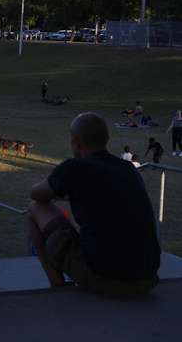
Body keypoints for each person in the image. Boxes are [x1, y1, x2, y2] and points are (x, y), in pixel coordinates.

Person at [28, 113, 160, 296]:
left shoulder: (74, 168)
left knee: (34, 208)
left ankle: (57, 285)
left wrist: (62, 187)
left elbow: (36, 194)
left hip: (107, 279)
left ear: (76, 142)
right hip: (147, 278)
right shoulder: (128, 168)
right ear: (105, 139)